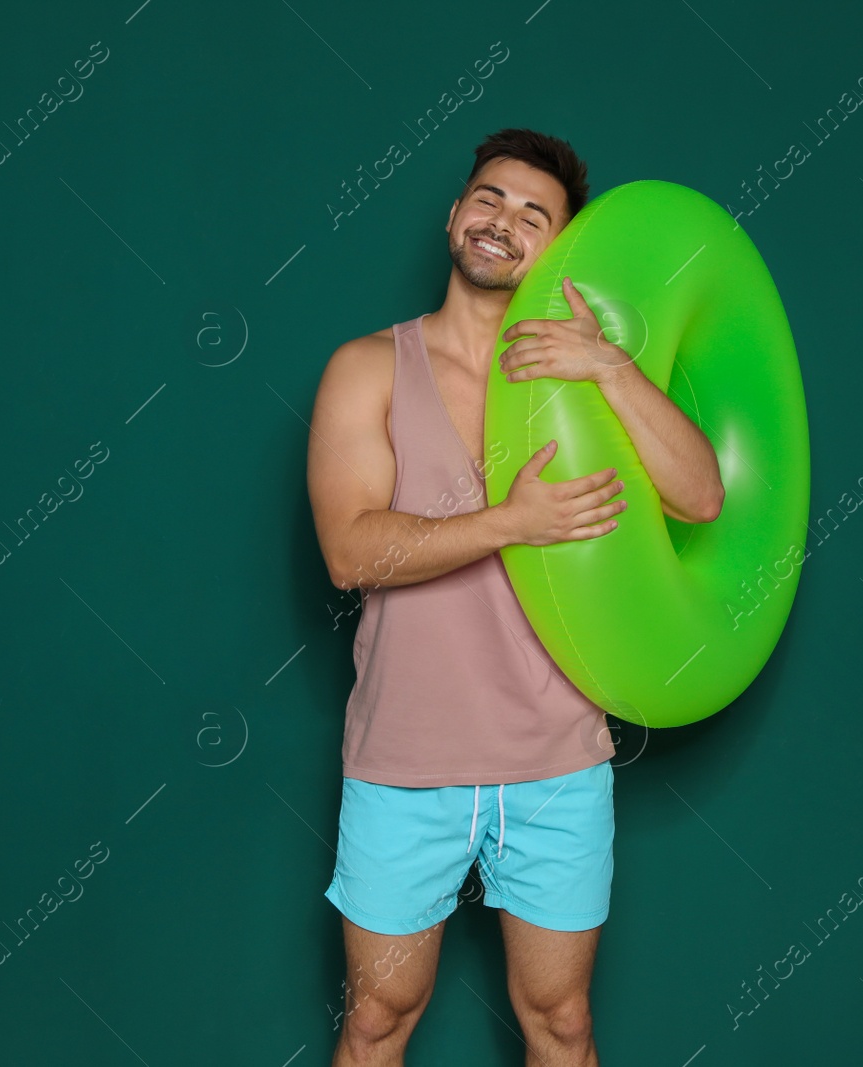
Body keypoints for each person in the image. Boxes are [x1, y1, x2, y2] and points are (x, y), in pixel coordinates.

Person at [306, 128, 724, 1066]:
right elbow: (349, 550)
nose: (504, 222)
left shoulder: (588, 378)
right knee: (376, 1023)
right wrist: (510, 520)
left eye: (535, 215)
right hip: (403, 760)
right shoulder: (368, 367)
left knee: (563, 1025)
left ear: (560, 247)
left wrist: (612, 368)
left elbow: (701, 498)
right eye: (490, 199)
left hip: (555, 764)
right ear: (456, 215)